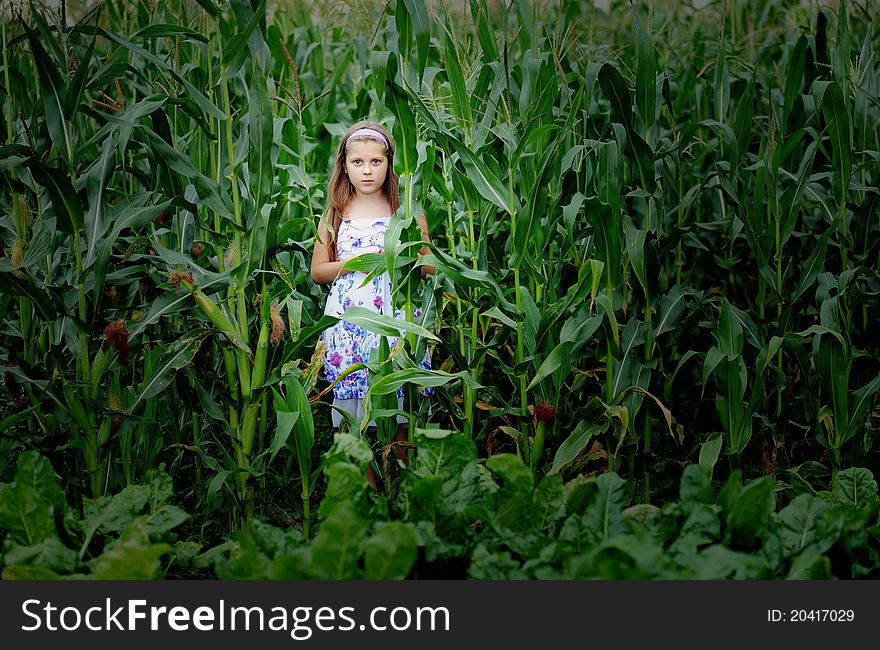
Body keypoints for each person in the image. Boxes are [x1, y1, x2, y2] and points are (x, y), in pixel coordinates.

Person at [310, 121, 434, 487]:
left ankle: (402, 490)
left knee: (400, 409)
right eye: (358, 162)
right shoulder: (335, 212)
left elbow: (428, 265)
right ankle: (367, 495)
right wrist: (357, 262)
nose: (367, 170)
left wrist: (398, 254)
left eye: (376, 162)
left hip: (396, 322)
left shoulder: (406, 210)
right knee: (355, 417)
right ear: (344, 165)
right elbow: (318, 271)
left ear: (389, 163)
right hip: (350, 324)